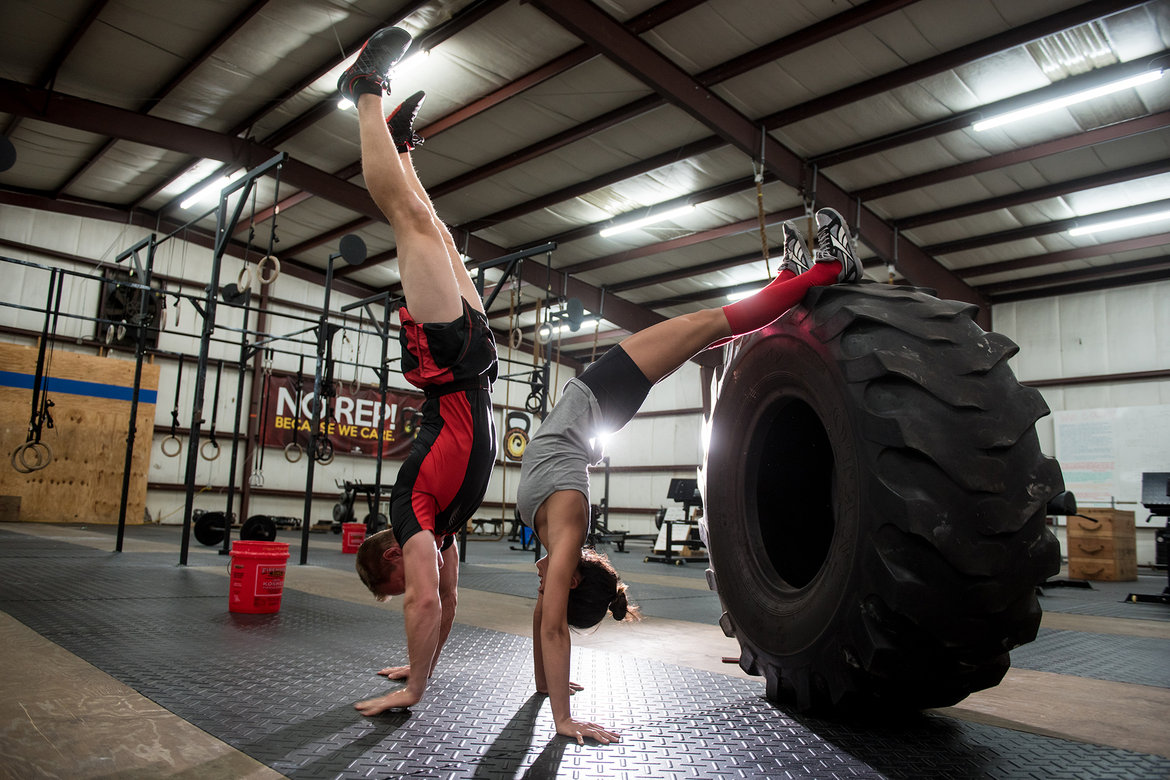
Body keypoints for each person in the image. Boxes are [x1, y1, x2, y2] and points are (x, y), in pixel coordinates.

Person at [516, 208, 864, 744]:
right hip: (601, 395)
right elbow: (554, 626)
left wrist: (546, 691)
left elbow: (547, 621)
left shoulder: (554, 555)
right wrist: (564, 721)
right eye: (557, 588)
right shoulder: (566, 538)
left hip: (597, 398)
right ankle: (826, 272)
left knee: (706, 331)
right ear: (574, 580)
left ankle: (790, 280)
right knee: (710, 325)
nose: (542, 589)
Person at [340, 27, 497, 716]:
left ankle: (365, 91)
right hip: (477, 364)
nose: (413, 591)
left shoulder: (414, 510)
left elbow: (430, 595)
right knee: (435, 228)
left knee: (406, 221)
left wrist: (414, 692)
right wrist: (417, 665)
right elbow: (448, 600)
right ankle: (401, 145)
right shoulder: (445, 527)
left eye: (397, 588)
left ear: (391, 561)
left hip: (446, 367)